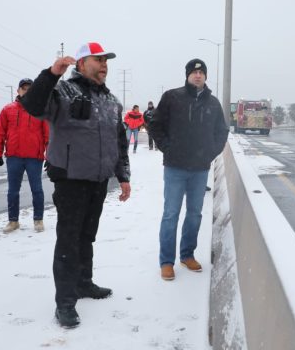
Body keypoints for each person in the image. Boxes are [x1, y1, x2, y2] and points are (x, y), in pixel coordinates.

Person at [20, 42, 131, 328]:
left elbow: (119, 142)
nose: (105, 65)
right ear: (81, 63)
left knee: (87, 236)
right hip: (70, 179)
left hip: (98, 180)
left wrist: (124, 176)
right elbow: (31, 105)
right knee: (69, 240)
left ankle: (84, 283)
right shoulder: (63, 91)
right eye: (99, 60)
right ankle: (65, 302)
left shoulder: (111, 101)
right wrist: (51, 74)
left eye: (107, 61)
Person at [149, 58, 229, 281]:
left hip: (199, 169)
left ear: (206, 76)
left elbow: (221, 131)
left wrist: (210, 153)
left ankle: (187, 255)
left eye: (202, 72)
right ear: (187, 75)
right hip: (175, 167)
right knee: (171, 214)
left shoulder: (213, 103)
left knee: (194, 214)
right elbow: (155, 124)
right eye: (194, 72)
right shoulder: (172, 97)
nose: (198, 75)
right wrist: (167, 148)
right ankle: (166, 261)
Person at [0, 78, 49, 234]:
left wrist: (50, 156)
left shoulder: (40, 110)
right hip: (14, 157)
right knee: (13, 191)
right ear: (18, 91)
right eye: (24, 88)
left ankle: (38, 220)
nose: (26, 91)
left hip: (34, 158)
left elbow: (48, 136)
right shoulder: (7, 110)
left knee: (37, 190)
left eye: (30, 89)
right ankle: (13, 221)